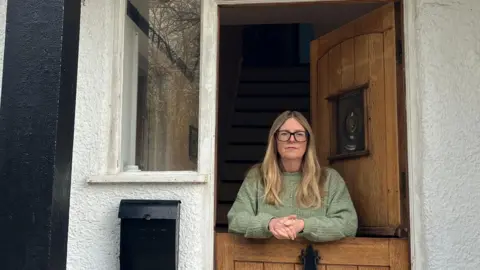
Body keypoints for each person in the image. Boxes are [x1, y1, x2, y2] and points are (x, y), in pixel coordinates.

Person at [227, 110, 358, 242]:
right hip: (265, 260)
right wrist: (269, 224)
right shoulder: (257, 177)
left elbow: (348, 224)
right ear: (275, 140)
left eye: (299, 134)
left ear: (308, 141)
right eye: (284, 134)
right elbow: (236, 220)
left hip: (315, 259)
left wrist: (303, 225)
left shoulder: (329, 179)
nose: (292, 139)